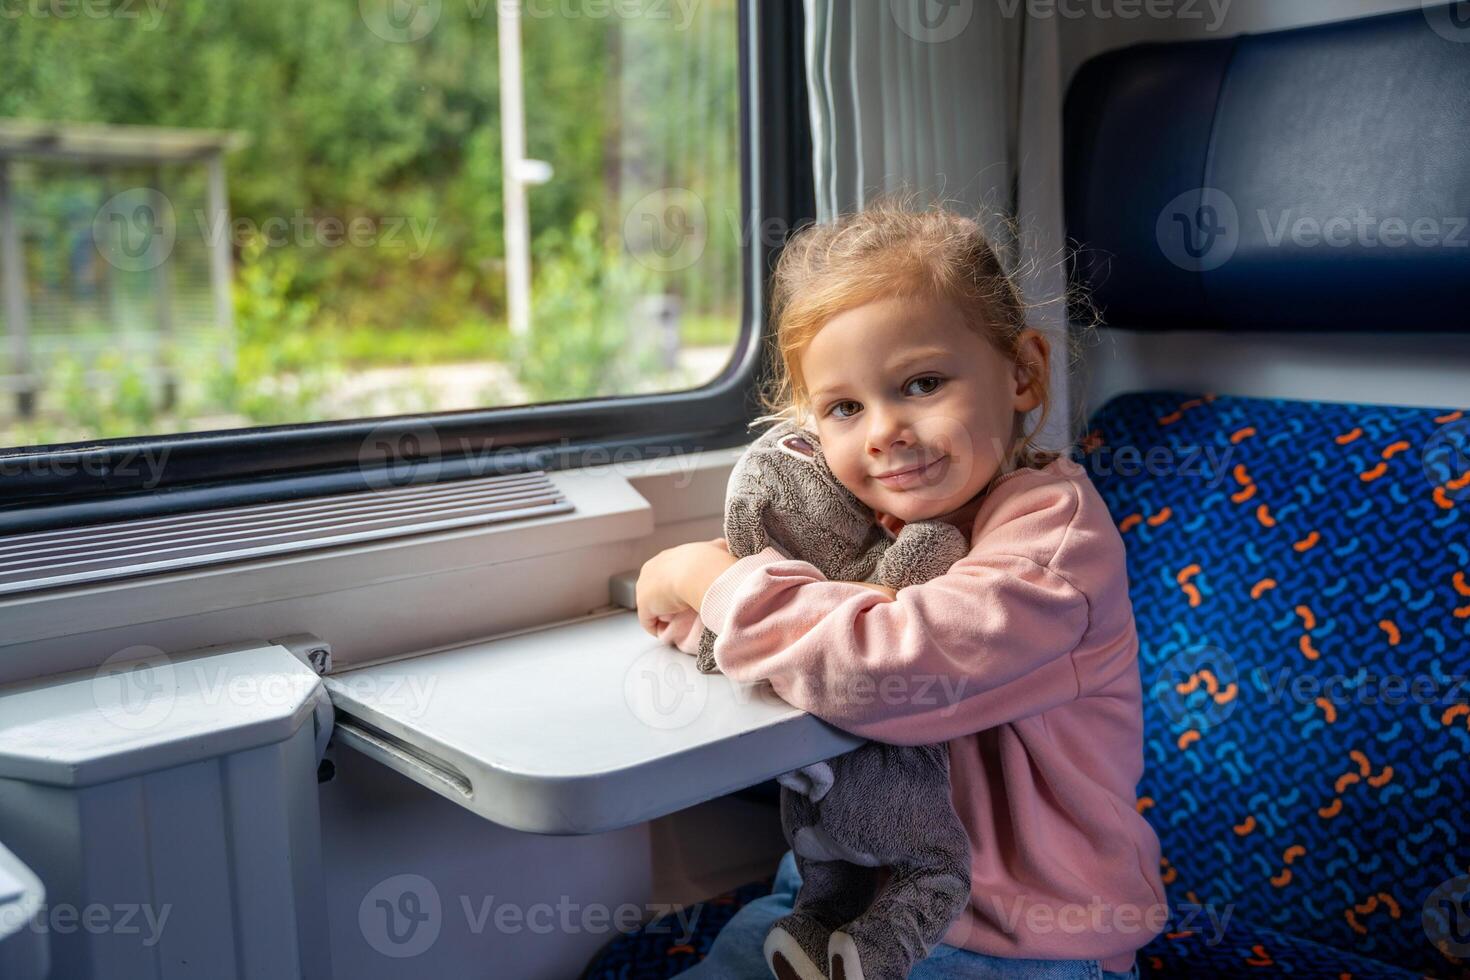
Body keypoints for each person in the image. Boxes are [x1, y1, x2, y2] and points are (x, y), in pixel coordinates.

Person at [635, 200, 1165, 979]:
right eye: (845, 408)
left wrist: (711, 584)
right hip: (836, 899)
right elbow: (772, 638)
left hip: (1016, 935)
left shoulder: (1053, 547)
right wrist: (707, 600)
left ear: (1022, 373)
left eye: (921, 383)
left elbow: (883, 665)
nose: (882, 430)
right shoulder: (865, 526)